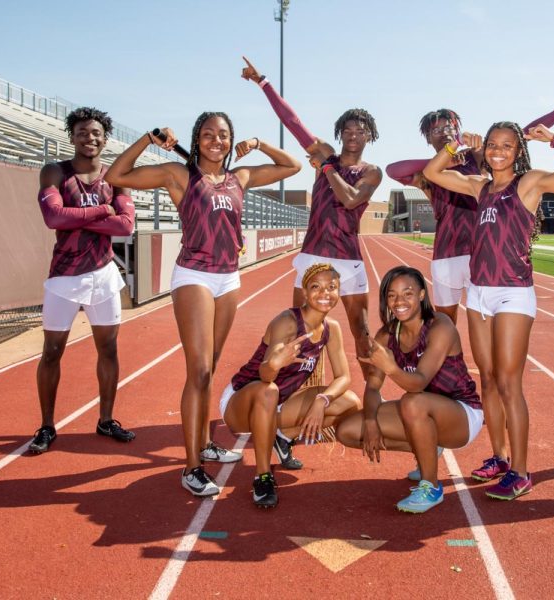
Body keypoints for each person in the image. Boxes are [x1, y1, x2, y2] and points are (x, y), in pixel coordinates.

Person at [105, 113, 301, 496]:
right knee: (197, 370)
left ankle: (204, 442)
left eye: (224, 135)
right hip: (194, 274)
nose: (216, 140)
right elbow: (116, 176)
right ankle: (191, 466)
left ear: (231, 141)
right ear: (196, 139)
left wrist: (258, 144)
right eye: (208, 134)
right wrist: (148, 139)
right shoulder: (179, 175)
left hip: (229, 278)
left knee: (209, 369)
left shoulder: (239, 178)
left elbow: (291, 166)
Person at [424, 122, 554, 499]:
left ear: (518, 151)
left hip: (513, 294)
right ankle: (499, 457)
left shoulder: (529, 182)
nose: (498, 151)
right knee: (486, 378)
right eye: (492, 145)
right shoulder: (478, 186)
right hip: (479, 292)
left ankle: (520, 470)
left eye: (507, 146)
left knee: (508, 383)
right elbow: (432, 173)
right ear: (483, 149)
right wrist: (454, 147)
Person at [386, 77, 554, 324]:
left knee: (486, 322)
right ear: (428, 138)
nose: (443, 133)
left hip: (482, 253)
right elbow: (394, 169)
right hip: (446, 254)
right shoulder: (429, 175)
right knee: (444, 323)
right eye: (436, 130)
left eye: (449, 128)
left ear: (459, 129)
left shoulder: (482, 157)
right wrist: (450, 155)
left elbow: (525, 132)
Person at [241, 56, 382, 381]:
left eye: (360, 131)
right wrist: (263, 82)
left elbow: (349, 200)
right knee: (302, 332)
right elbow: (292, 122)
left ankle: (374, 398)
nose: (352, 135)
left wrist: (328, 168)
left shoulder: (371, 172)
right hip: (312, 255)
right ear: (339, 133)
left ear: (368, 136)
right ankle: (303, 396)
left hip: (348, 259)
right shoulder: (325, 153)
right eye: (347, 130)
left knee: (361, 331)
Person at [31, 107, 136, 455]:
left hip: (104, 274)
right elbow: (51, 217)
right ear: (72, 136)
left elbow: (125, 226)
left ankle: (106, 419)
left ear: (105, 138)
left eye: (95, 133)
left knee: (108, 349)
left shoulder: (116, 177)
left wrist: (75, 219)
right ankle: (47, 425)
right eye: (82, 132)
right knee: (52, 352)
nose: (89, 138)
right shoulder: (55, 172)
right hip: (64, 276)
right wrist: (101, 211)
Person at [336, 266, 483, 514]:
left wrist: (391, 368)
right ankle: (427, 447)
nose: (399, 301)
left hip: (462, 414)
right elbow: (373, 388)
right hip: (424, 411)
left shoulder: (440, 326)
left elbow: (418, 383)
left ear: (422, 295)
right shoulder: (386, 335)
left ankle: (431, 486)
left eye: (407, 294)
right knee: (348, 431)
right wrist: (371, 420)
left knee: (412, 402)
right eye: (392, 295)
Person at [220, 263, 360, 508]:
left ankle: (283, 437)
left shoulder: (332, 329)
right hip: (244, 401)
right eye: (316, 287)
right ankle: (263, 476)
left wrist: (321, 401)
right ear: (304, 293)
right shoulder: (287, 322)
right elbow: (265, 375)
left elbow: (344, 377)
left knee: (350, 402)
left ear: (338, 293)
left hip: (279, 404)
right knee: (269, 390)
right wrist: (276, 362)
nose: (324, 293)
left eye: (332, 287)